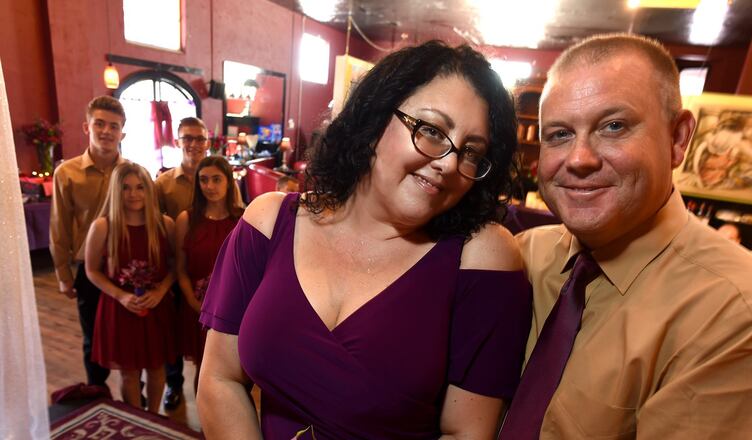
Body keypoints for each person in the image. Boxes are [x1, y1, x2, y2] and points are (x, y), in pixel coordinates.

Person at [198, 41, 531, 439]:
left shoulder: (481, 257)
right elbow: (220, 379)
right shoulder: (269, 222)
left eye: (472, 152)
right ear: (374, 120)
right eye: (431, 130)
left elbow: (467, 433)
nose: (449, 163)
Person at [503, 33, 752, 439]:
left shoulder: (741, 311)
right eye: (560, 134)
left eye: (614, 126)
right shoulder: (522, 256)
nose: (579, 159)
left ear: (677, 139)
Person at [83, 162, 177, 412]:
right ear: (116, 191)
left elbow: (176, 266)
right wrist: (121, 296)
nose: (133, 194)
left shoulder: (164, 224)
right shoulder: (103, 226)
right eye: (125, 188)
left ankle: (154, 417)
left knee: (157, 370)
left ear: (149, 190)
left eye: (139, 187)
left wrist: (161, 291)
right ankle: (137, 420)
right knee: (128, 373)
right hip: (120, 309)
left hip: (157, 307)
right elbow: (91, 270)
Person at [49, 95, 127, 388]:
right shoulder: (66, 173)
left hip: (128, 267)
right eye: (100, 124)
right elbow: (59, 228)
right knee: (93, 336)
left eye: (114, 126)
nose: (106, 131)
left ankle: (134, 390)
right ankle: (97, 391)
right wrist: (63, 276)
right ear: (87, 127)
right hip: (89, 269)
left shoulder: (131, 172)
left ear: (123, 132)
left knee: (128, 332)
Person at [174, 156, 244, 392]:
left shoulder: (242, 218)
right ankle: (205, 427)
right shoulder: (186, 219)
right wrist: (194, 303)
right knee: (203, 370)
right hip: (197, 307)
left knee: (235, 372)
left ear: (228, 181)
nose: (210, 186)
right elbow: (180, 268)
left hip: (233, 309)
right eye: (204, 180)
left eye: (216, 179)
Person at [154, 116, 210, 409]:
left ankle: (210, 383)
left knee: (207, 332)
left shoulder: (219, 176)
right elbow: (155, 229)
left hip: (208, 271)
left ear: (207, 142)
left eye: (199, 138)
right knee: (174, 333)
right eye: (187, 138)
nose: (193, 144)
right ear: (177, 142)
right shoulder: (163, 184)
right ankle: (173, 384)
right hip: (174, 271)